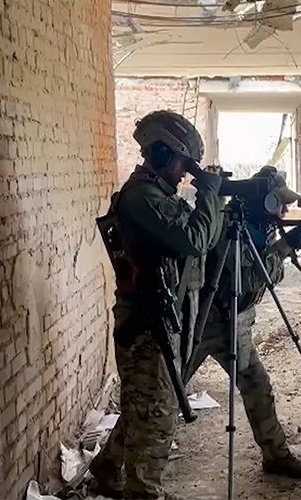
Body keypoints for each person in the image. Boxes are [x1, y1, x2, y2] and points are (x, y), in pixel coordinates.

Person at [90, 110, 225, 499]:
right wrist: (210, 193)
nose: (184, 174)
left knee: (146, 405)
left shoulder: (160, 195)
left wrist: (213, 197)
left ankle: (107, 467)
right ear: (162, 153)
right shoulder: (141, 198)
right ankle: (143, 493)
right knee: (157, 415)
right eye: (183, 163)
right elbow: (193, 241)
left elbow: (206, 238)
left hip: (161, 319)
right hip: (146, 326)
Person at [185, 165, 301, 479]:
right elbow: (251, 278)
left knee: (257, 386)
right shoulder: (229, 227)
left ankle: (276, 456)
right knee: (163, 394)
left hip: (235, 321)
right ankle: (111, 462)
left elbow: (264, 275)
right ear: (266, 202)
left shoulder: (259, 228)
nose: (285, 211)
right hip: (205, 323)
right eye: (281, 204)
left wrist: (283, 245)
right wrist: (285, 247)